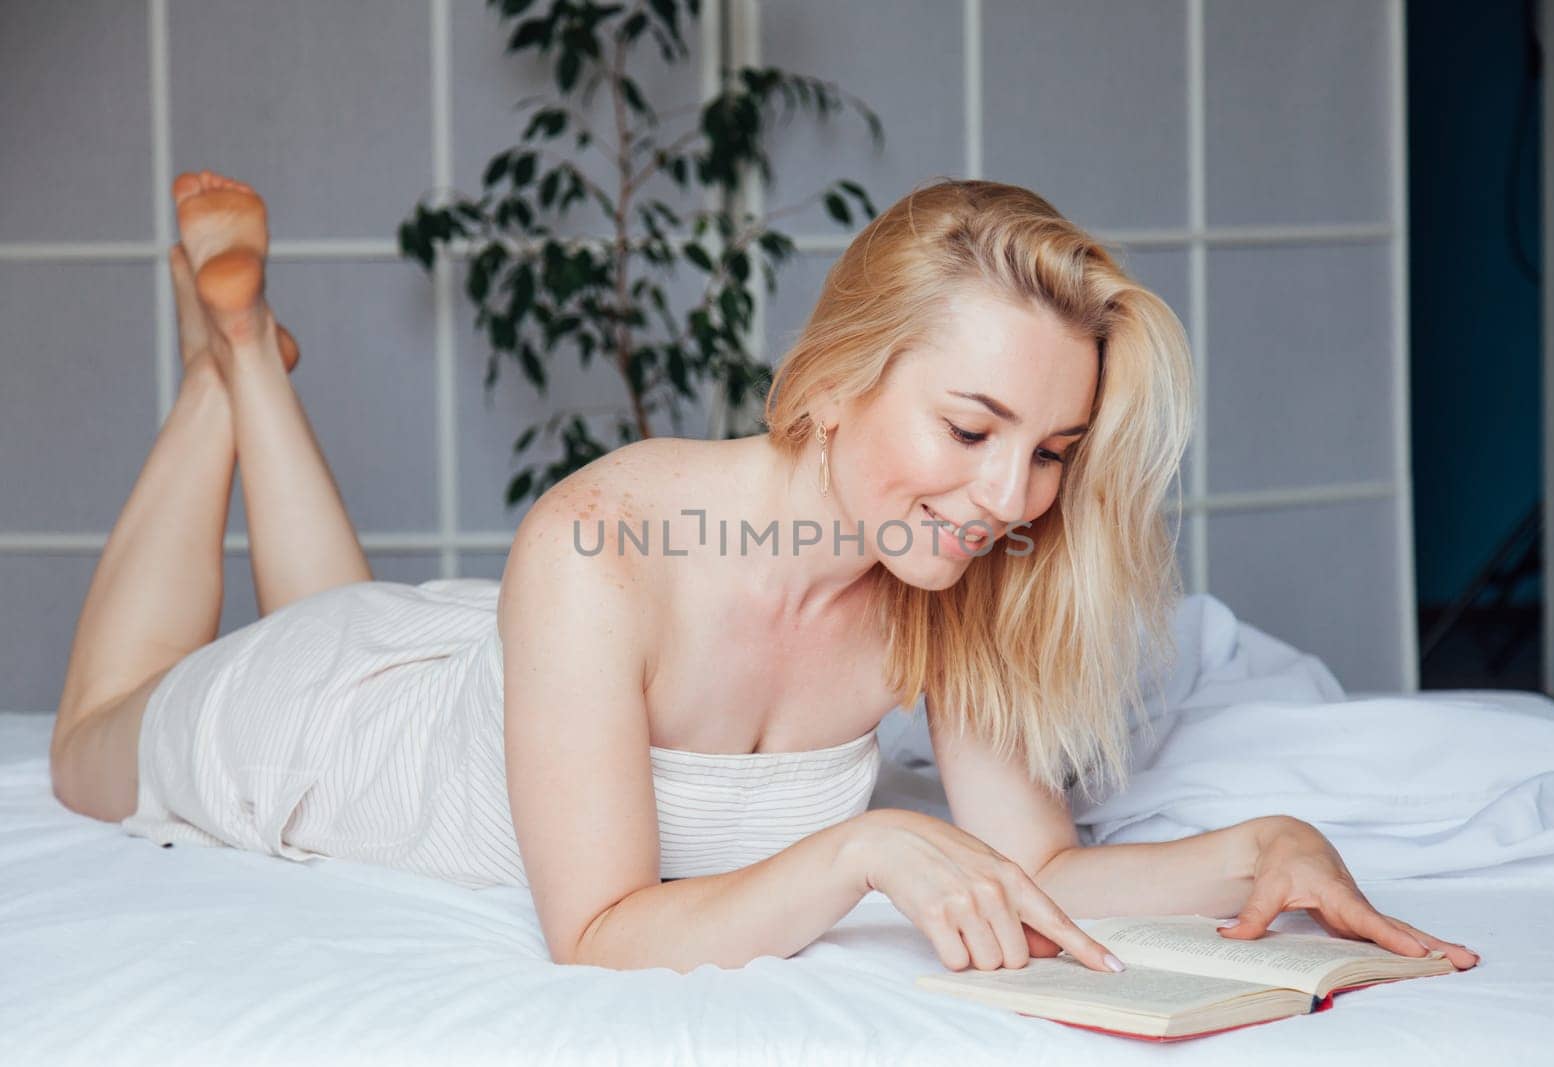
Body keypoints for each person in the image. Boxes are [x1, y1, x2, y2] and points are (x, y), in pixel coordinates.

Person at [48, 171, 1479, 978]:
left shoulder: (945, 587)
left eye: (1051, 451)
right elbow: (600, 932)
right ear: (840, 381)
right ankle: (225, 368)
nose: (1007, 498)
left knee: (334, 612)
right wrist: (860, 848)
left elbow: (1039, 868)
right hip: (323, 731)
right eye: (972, 428)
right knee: (92, 740)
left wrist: (1261, 848)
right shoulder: (602, 539)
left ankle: (246, 360)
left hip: (479, 670)